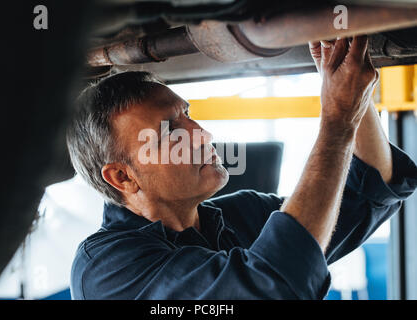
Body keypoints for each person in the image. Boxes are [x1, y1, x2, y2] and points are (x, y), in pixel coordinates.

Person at [67, 36, 417, 299]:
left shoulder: (243, 215)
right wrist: (338, 120)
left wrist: (347, 80)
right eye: (170, 130)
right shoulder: (108, 270)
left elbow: (370, 189)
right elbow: (272, 287)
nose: (203, 134)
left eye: (187, 115)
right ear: (122, 177)